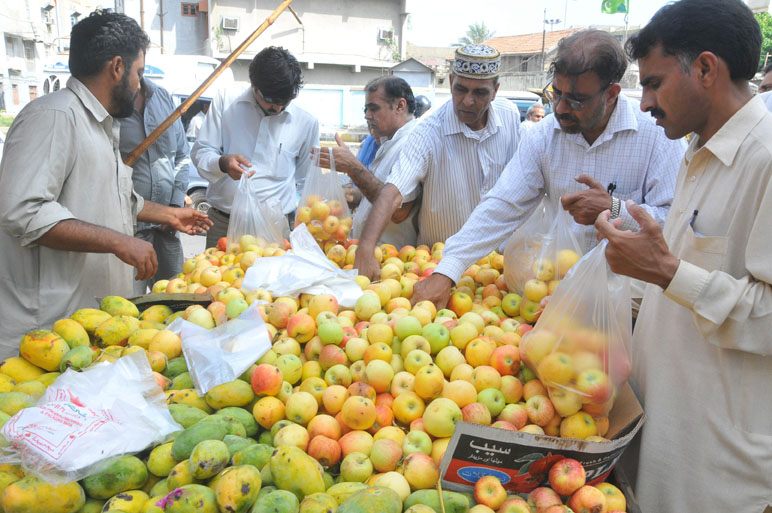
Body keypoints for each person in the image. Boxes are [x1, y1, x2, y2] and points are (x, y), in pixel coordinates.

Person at [593, 1, 772, 511]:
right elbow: (674, 278)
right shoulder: (696, 152)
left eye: (653, 83)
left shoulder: (765, 160)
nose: (644, 102)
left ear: (707, 69)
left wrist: (667, 272)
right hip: (661, 436)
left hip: (718, 470)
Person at [411, 30, 685, 308]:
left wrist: (615, 209)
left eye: (577, 100)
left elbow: (678, 222)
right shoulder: (543, 136)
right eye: (556, 93)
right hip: (557, 296)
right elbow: (502, 205)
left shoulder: (657, 135)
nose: (562, 108)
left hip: (630, 303)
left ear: (612, 94)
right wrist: (448, 270)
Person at [0, 11, 211, 357]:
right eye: (138, 73)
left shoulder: (99, 125)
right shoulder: (53, 117)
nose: (139, 85)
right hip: (49, 332)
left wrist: (170, 215)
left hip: (87, 327)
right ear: (117, 67)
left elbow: (120, 200)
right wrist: (119, 242)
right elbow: (23, 211)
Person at [354, 44, 521, 279]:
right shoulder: (428, 132)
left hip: (498, 267)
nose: (468, 101)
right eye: (460, 89)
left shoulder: (510, 116)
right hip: (437, 266)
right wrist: (365, 246)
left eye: (480, 93)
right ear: (451, 81)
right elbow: (393, 192)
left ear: (495, 90)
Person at [191, 46, 320, 249]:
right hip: (225, 224)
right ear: (253, 85)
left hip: (276, 229)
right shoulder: (226, 102)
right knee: (217, 280)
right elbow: (201, 152)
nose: (277, 108)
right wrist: (223, 163)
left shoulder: (306, 123)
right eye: (270, 101)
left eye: (284, 102)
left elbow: (308, 183)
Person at [316, 76, 419, 248]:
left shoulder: (412, 142)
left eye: (374, 109)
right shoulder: (389, 142)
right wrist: (352, 196)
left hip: (392, 260)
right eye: (366, 109)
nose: (367, 115)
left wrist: (353, 168)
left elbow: (399, 211)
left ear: (400, 106)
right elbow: (379, 190)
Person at [119, 77, 189, 295]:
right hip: (127, 231)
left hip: (166, 230)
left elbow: (181, 156)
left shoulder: (162, 97)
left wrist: (174, 209)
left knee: (177, 301)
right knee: (127, 306)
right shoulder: (110, 103)